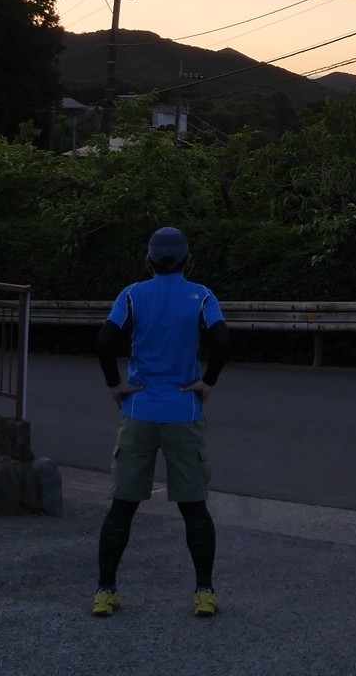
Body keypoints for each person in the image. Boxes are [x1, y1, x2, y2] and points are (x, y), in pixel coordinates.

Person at [93, 226, 231, 618]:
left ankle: (106, 591)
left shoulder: (132, 295)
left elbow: (105, 341)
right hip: (184, 412)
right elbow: (222, 341)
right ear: (188, 259)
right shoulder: (202, 295)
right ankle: (204, 592)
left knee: (122, 507)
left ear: (148, 259)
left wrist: (115, 386)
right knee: (194, 508)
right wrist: (208, 382)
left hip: (139, 411)